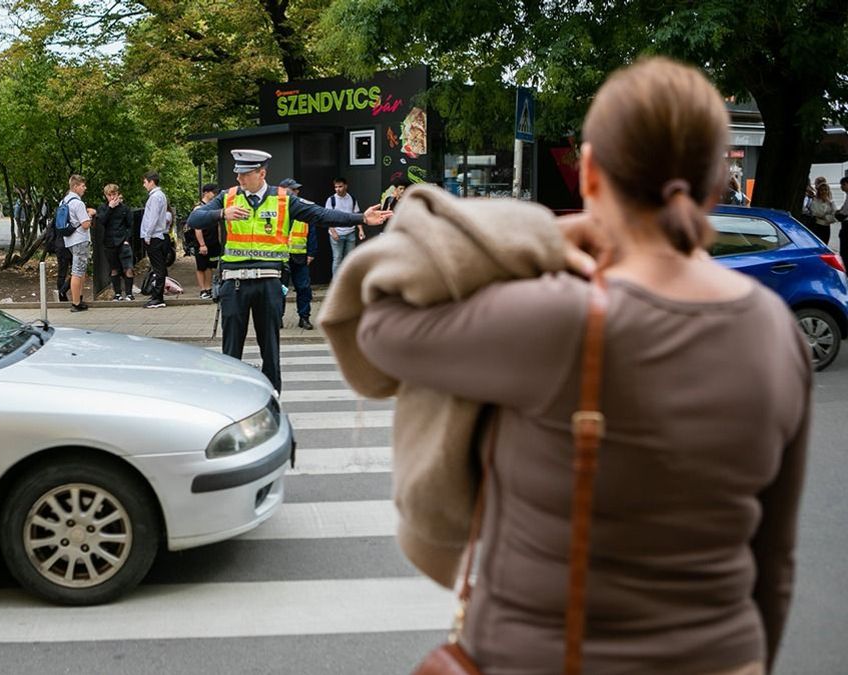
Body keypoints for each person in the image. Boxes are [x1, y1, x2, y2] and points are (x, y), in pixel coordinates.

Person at [350, 57, 808, 673]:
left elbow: (378, 323)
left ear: (589, 173)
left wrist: (540, 238)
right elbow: (774, 560)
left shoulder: (555, 319)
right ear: (719, 181)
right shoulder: (776, 330)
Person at [187, 149, 391, 392]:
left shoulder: (283, 199)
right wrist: (221, 213)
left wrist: (361, 219)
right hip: (234, 284)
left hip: (269, 283)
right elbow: (195, 218)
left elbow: (321, 215)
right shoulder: (228, 197)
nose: (239, 179)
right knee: (230, 353)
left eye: (245, 174)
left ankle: (272, 401)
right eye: (237, 174)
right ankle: (231, 401)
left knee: (270, 351)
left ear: (261, 173)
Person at [278, 178, 316, 330]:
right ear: (284, 190)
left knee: (304, 288)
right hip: (281, 257)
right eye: (293, 189)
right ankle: (277, 317)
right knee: (279, 289)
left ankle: (304, 318)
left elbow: (311, 231)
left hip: (300, 256)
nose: (297, 192)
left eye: (297, 189)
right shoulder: (277, 206)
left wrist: (311, 253)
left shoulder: (303, 207)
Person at [95, 184, 136, 301]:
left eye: (114, 194)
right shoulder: (103, 208)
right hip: (109, 242)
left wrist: (127, 240)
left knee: (128, 267)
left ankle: (129, 293)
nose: (112, 197)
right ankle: (117, 293)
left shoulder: (125, 209)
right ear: (106, 196)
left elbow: (130, 225)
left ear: (118, 194)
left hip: (122, 241)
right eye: (109, 195)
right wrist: (110, 208)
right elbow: (102, 221)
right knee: (114, 269)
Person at [61, 174, 96, 312]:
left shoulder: (64, 201)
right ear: (75, 187)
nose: (85, 188)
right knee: (77, 271)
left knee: (79, 270)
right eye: (82, 185)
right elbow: (86, 224)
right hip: (80, 239)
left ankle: (78, 298)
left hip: (69, 239)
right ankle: (76, 303)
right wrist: (91, 214)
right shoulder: (78, 203)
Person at [141, 171, 170, 309]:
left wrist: (147, 234)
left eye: (145, 182)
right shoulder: (161, 196)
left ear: (151, 182)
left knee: (158, 267)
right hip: (160, 235)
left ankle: (158, 297)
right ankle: (158, 295)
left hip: (154, 236)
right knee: (159, 267)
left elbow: (152, 217)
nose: (144, 185)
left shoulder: (155, 197)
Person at [324, 177, 364, 276]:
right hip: (337, 233)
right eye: (336, 187)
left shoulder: (352, 199)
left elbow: (357, 215)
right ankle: (337, 284)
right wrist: (333, 232)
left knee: (350, 259)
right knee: (337, 258)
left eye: (340, 186)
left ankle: (348, 282)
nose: (338, 189)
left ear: (346, 186)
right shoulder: (331, 200)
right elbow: (327, 218)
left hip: (350, 232)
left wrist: (361, 230)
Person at [190, 183, 221, 299]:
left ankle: (209, 288)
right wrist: (202, 244)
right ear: (206, 193)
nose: (215, 195)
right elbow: (197, 228)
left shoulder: (214, 207)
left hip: (213, 241)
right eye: (213, 192)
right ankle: (202, 289)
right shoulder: (199, 208)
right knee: (201, 266)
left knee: (210, 266)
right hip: (202, 242)